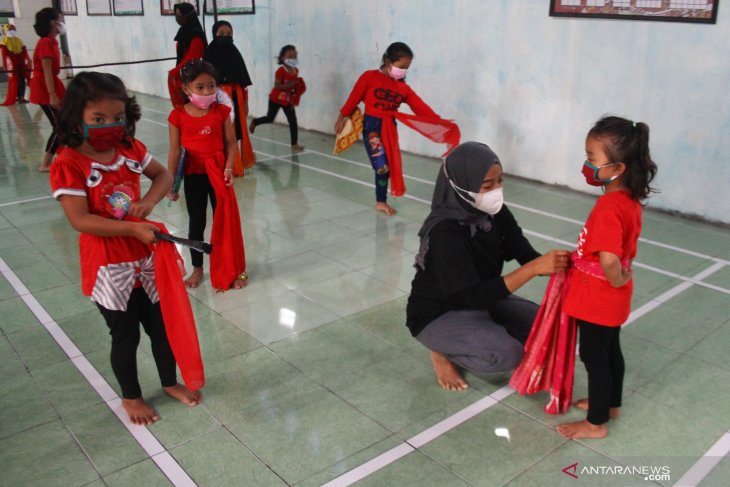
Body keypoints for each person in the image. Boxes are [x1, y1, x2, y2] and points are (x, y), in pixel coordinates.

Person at [50, 72, 204, 425]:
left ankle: (168, 382)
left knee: (161, 328)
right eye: (99, 119)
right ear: (76, 118)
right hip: (109, 267)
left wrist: (148, 203)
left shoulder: (130, 149)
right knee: (126, 335)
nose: (110, 126)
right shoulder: (68, 163)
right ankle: (131, 397)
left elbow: (163, 176)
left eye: (118, 118)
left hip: (145, 259)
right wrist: (131, 227)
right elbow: (80, 220)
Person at [406, 142, 570, 391]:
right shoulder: (444, 231)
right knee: (507, 354)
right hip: (438, 312)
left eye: (500, 181)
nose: (497, 191)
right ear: (462, 186)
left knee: (547, 326)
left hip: (484, 298)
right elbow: (473, 294)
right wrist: (534, 268)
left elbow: (523, 252)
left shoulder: (495, 213)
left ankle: (478, 330)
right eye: (487, 186)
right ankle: (441, 351)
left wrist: (566, 267)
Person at [556, 116, 657, 439]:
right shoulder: (629, 201)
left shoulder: (609, 207)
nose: (586, 164)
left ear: (617, 168)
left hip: (599, 297)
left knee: (594, 357)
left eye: (591, 158)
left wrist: (614, 279)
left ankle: (596, 423)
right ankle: (611, 404)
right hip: (613, 298)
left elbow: (609, 258)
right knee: (611, 350)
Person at [335, 42, 460, 216]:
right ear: (388, 62)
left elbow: (421, 108)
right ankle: (381, 200)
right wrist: (342, 117)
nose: (403, 71)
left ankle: (380, 202)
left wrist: (441, 126)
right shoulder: (369, 77)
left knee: (387, 168)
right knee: (381, 166)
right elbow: (354, 97)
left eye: (406, 68)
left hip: (389, 129)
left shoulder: (403, 89)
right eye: (401, 67)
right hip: (372, 128)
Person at [167, 59, 248, 291]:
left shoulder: (221, 111)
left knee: (226, 221)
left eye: (211, 86)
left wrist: (229, 167)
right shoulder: (177, 116)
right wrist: (171, 182)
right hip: (194, 175)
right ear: (186, 88)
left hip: (220, 173)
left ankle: (232, 268)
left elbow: (231, 144)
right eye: (200, 87)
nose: (207, 91)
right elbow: (174, 151)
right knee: (197, 222)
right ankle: (198, 268)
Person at [204, 20, 255, 176]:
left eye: (228, 34)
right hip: (218, 97)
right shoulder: (209, 54)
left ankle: (236, 165)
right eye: (221, 34)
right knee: (221, 133)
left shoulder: (235, 53)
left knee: (237, 131)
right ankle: (223, 165)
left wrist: (245, 102)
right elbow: (205, 81)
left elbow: (243, 81)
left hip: (236, 97)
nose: (225, 37)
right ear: (214, 34)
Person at [249, 44, 306, 152]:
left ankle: (294, 144)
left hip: (287, 100)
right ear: (283, 58)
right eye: (290, 56)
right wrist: (291, 85)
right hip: (275, 98)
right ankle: (255, 122)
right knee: (270, 118)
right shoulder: (281, 70)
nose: (293, 59)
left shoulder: (296, 70)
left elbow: (294, 88)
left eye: (294, 56)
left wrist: (295, 96)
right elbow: (277, 85)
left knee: (293, 121)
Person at [29, 8, 66, 172]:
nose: (62, 22)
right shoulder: (45, 42)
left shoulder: (52, 42)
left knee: (64, 122)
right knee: (59, 126)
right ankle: (45, 163)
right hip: (45, 87)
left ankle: (63, 156)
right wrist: (52, 95)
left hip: (51, 84)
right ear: (53, 22)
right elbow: (46, 71)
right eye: (60, 19)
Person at [168, 2, 206, 107]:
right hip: (183, 73)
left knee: (190, 106)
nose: (178, 18)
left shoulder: (196, 36)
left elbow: (192, 58)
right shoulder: (183, 31)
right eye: (176, 15)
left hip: (191, 76)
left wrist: (175, 72)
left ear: (188, 16)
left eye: (180, 16)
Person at [0, 24, 32, 105]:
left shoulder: (18, 40)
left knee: (22, 80)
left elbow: (24, 51)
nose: (12, 30)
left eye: (14, 29)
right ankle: (16, 97)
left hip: (20, 63)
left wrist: (28, 59)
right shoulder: (4, 41)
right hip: (12, 64)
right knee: (14, 81)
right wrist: (5, 65)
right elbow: (4, 55)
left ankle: (21, 97)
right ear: (6, 30)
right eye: (10, 29)